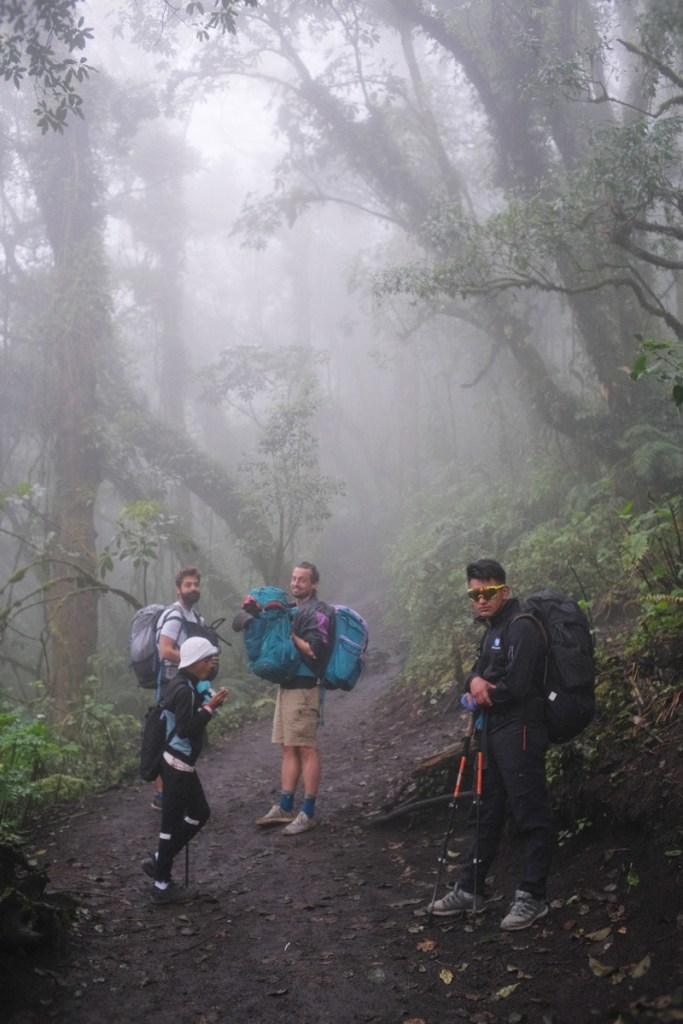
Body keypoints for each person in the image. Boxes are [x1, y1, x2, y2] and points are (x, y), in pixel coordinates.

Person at [427, 558, 553, 931]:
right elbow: (476, 672)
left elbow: (516, 687)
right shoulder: (493, 629)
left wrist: (481, 692)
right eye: (474, 594)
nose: (481, 599)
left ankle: (532, 896)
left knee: (530, 811)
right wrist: (474, 684)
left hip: (521, 730)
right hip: (494, 731)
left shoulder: (522, 628)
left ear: (504, 591)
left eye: (489, 592)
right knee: (486, 810)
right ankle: (470, 889)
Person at [141, 635, 228, 905]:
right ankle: (161, 886)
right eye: (209, 659)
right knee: (171, 823)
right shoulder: (184, 690)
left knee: (199, 812)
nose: (213, 663)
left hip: (179, 762)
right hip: (176, 763)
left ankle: (158, 861)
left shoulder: (184, 684)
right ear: (197, 662)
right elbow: (185, 729)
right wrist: (209, 708)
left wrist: (207, 701)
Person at [254, 562, 333, 835]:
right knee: (288, 746)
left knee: (306, 748)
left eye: (303, 579)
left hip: (305, 687)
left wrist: (291, 633)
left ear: (314, 584)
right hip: (287, 687)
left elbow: (314, 650)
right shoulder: (292, 609)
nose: (296, 583)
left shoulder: (318, 611)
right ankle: (285, 806)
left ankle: (308, 812)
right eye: (294, 578)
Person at [151, 566, 213, 811]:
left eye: (196, 584)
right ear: (178, 589)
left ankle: (178, 789)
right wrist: (194, 662)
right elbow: (165, 650)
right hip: (171, 684)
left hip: (189, 684)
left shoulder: (196, 617)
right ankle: (161, 794)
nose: (193, 588)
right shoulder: (174, 616)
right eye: (188, 585)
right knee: (168, 737)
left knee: (186, 737)